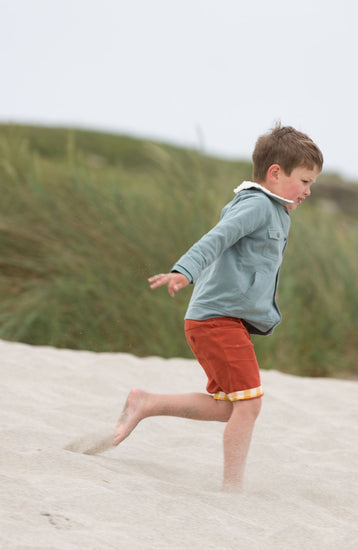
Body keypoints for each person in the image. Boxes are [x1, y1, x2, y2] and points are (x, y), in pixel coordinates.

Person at [113, 124, 323, 492]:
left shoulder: (275, 210)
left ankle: (146, 403)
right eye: (304, 181)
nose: (308, 190)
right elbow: (217, 238)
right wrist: (184, 271)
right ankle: (232, 490)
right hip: (216, 321)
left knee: (231, 406)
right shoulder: (257, 205)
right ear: (275, 173)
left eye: (312, 184)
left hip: (224, 321)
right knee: (250, 405)